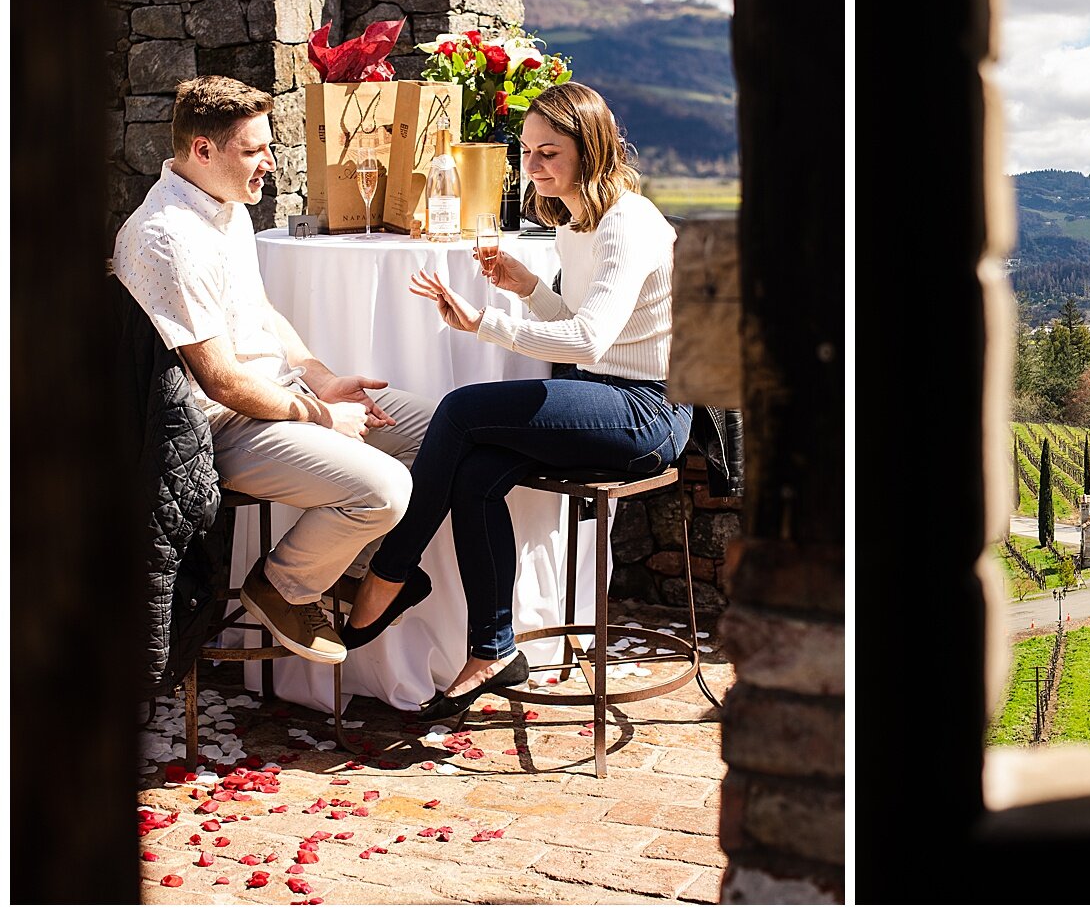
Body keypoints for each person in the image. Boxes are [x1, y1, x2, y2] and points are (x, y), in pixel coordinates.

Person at [343, 81, 694, 721]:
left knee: (459, 410)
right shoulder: (574, 226)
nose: (531, 167)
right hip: (603, 394)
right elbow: (589, 326)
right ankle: (493, 648)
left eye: (549, 153)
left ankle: (393, 569)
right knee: (474, 474)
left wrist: (485, 323)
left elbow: (588, 341)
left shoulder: (628, 222)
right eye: (526, 151)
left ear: (591, 151)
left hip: (649, 413)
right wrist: (529, 286)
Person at [113, 75, 437, 666]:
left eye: (269, 146)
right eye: (253, 150)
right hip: (214, 429)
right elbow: (220, 380)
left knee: (439, 433)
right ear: (202, 151)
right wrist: (321, 416)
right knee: (385, 491)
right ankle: (284, 586)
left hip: (277, 395)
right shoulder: (167, 236)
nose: (269, 163)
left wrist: (321, 378)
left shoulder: (226, 206)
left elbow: (258, 312)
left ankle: (346, 569)